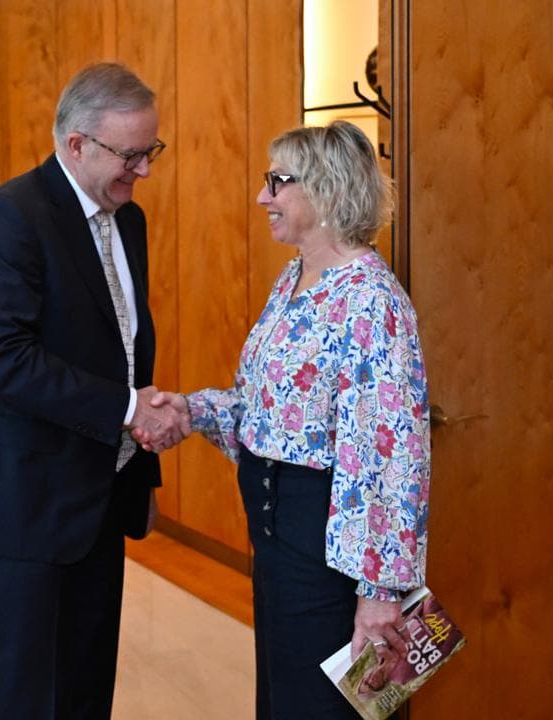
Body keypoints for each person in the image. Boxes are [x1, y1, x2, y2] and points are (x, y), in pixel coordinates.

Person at [142, 120, 432, 719]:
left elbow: (390, 457)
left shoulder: (371, 300)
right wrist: (192, 410)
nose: (262, 197)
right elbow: (269, 410)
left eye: (277, 181)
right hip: (276, 534)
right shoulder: (295, 278)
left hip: (329, 548)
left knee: (322, 707)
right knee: (283, 699)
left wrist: (379, 592)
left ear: (326, 189)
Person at [0, 62, 190, 720]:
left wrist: (142, 475)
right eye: (131, 154)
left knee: (86, 681)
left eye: (152, 150)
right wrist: (131, 411)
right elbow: (5, 360)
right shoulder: (10, 217)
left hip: (101, 489)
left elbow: (128, 351)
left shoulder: (128, 220)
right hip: (25, 495)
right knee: (31, 691)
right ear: (77, 144)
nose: (144, 170)